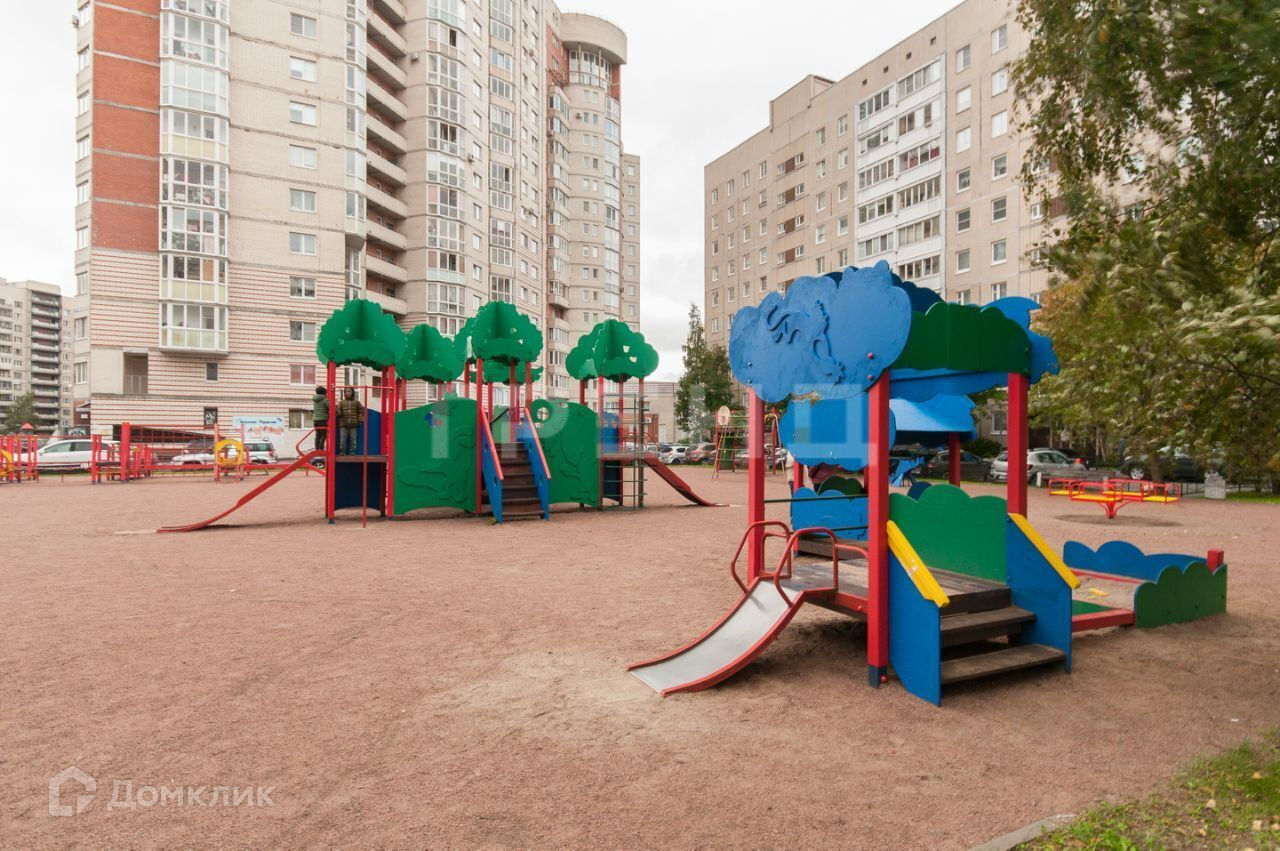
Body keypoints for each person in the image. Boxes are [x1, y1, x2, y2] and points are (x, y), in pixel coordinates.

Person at [337, 388, 364, 456]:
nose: (348, 393)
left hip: (353, 424)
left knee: (353, 439)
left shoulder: (356, 402)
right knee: (342, 439)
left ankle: (352, 452)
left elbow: (361, 410)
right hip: (343, 423)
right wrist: (339, 412)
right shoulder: (342, 402)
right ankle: (342, 452)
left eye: (349, 391)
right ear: (344, 393)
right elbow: (338, 409)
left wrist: (360, 419)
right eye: (346, 392)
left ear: (352, 393)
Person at [311, 385, 329, 453]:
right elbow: (330, 407)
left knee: (318, 435)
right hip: (322, 419)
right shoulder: (325, 399)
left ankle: (317, 449)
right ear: (324, 393)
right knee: (323, 435)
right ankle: (321, 449)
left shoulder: (315, 399)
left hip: (315, 420)